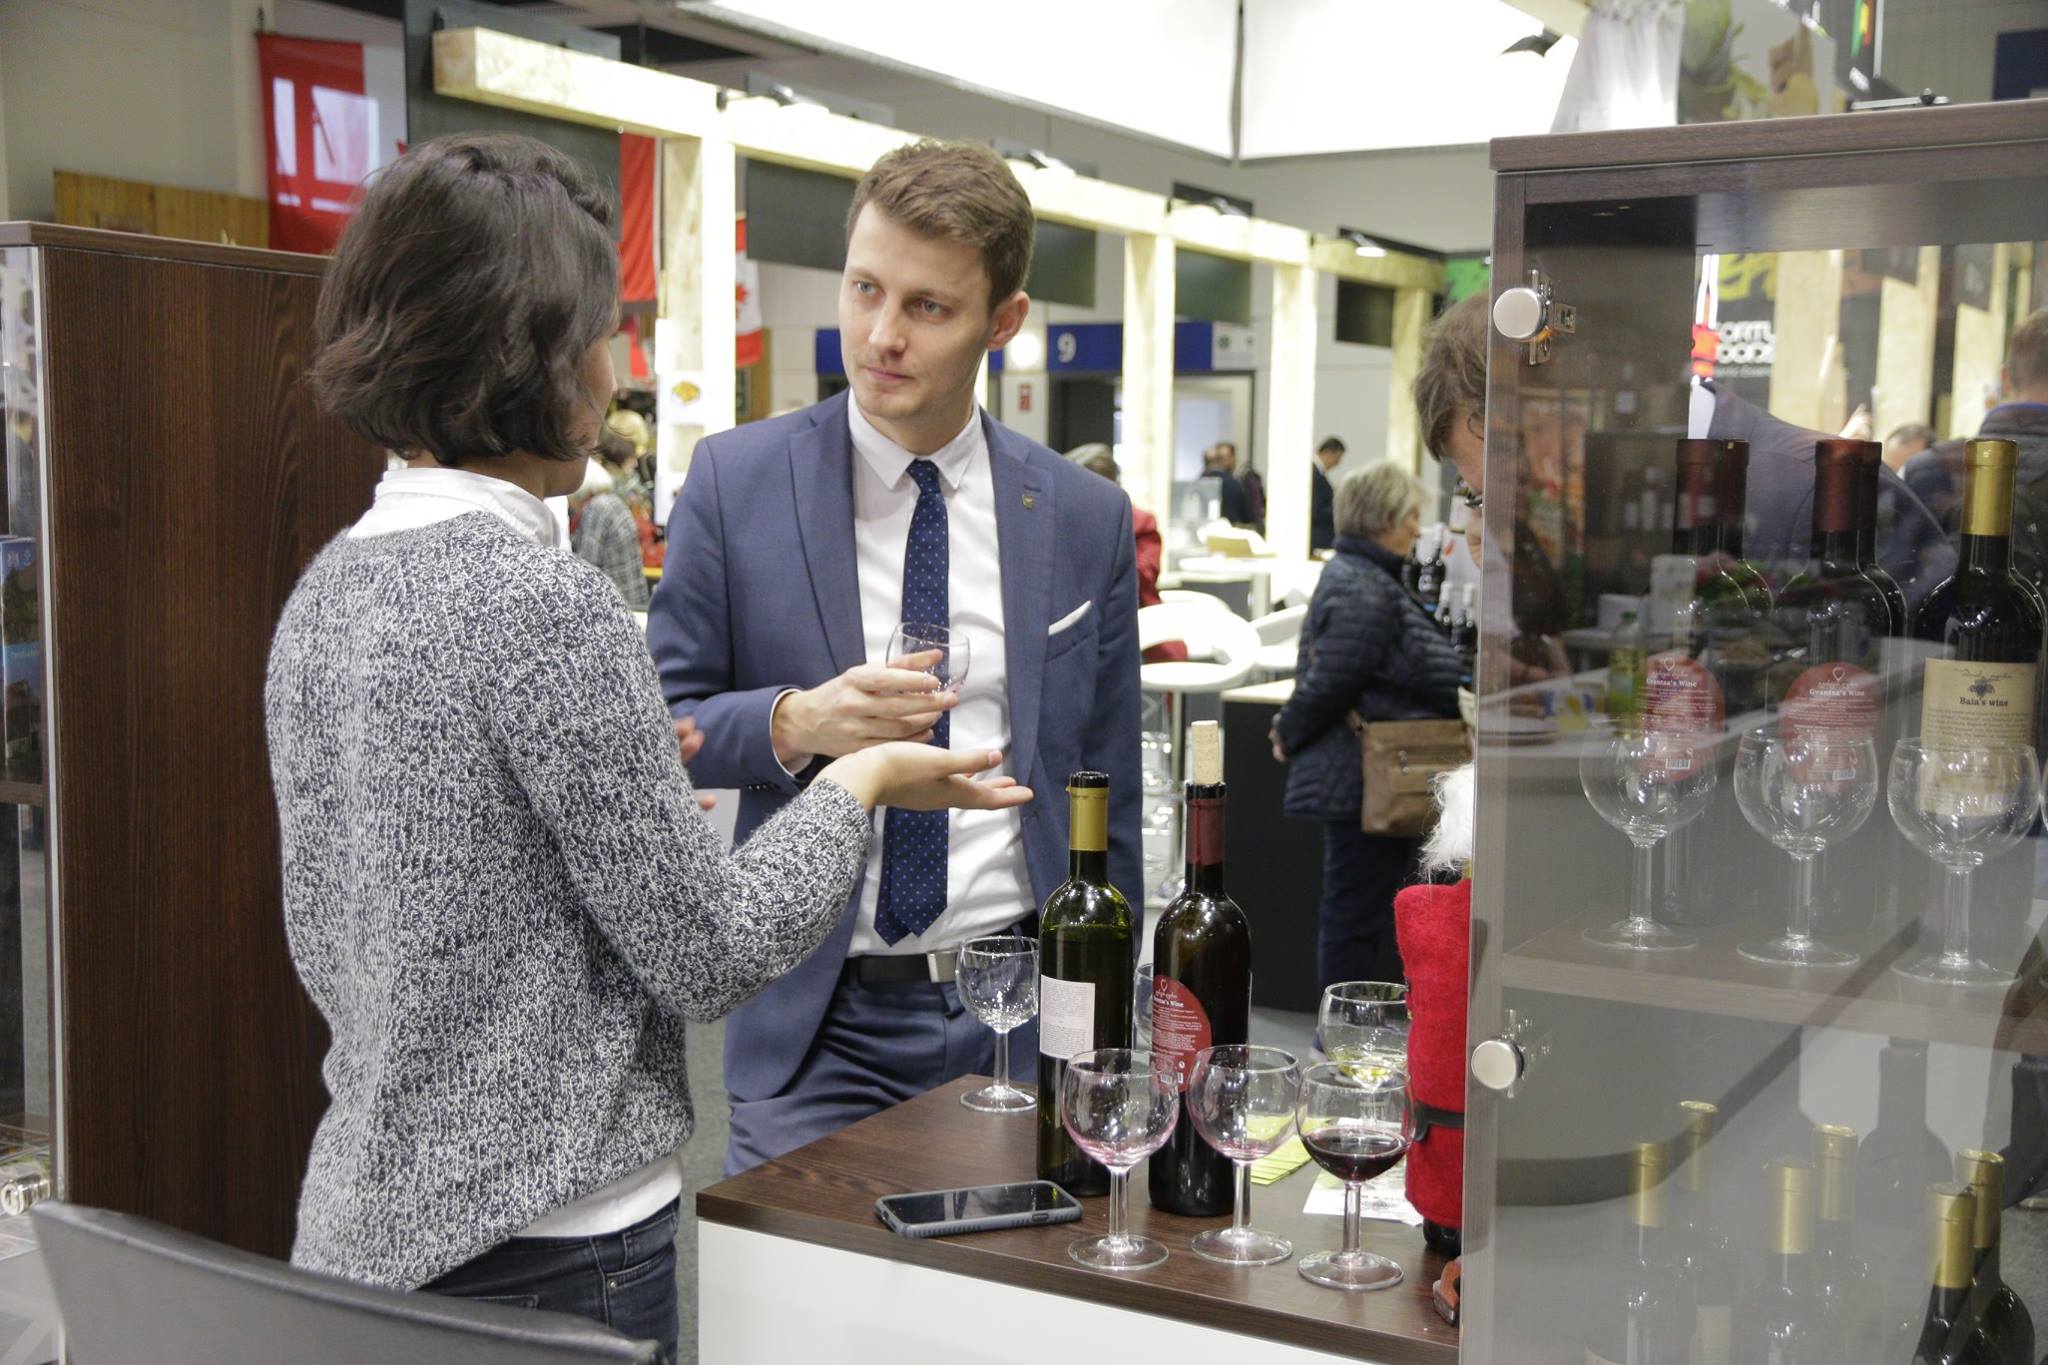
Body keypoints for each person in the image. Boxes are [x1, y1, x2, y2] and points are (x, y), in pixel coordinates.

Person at [264, 132, 1030, 1358]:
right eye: (601, 331)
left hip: (368, 1213)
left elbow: (346, 927)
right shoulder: (540, 602)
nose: (615, 367)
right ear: (529, 353)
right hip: (553, 1237)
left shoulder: (328, 590)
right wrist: (860, 777)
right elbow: (708, 953)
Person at [646, 139, 1142, 1176]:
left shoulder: (1082, 516)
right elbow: (664, 723)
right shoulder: (737, 483)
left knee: (1022, 1279)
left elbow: (1110, 787)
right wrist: (797, 722)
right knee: (792, 1279)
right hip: (817, 1020)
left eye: (928, 306)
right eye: (864, 288)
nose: (881, 335)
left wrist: (1113, 1016)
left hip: (1023, 1009)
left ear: (1003, 321)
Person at [1270, 461, 1464, 988]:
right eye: (1410, 515)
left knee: (1356, 910)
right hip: (1363, 779)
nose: (1417, 528)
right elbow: (1335, 676)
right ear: (1384, 518)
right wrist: (1287, 731)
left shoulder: (1365, 577)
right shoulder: (1363, 584)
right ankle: (1342, 1025)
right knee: (1353, 914)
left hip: (1365, 778)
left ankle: (1346, 1020)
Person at [1067, 443, 1186, 664]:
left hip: (1135, 627)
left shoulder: (1139, 522)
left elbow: (1140, 576)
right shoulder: (1063, 521)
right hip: (1075, 631)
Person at [570, 424, 650, 609]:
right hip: (630, 601)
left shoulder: (597, 509)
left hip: (612, 606)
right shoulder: (612, 503)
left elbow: (587, 564)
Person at [1202, 442, 1256, 527]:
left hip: (1206, 530)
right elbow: (1249, 516)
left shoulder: (1200, 483)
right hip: (1234, 530)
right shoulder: (1234, 484)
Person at [1311, 435, 1345, 552]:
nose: (1337, 464)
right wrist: (1339, 510)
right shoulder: (1314, 475)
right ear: (1327, 453)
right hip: (1318, 536)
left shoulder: (1317, 473)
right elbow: (1316, 510)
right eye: (1337, 459)